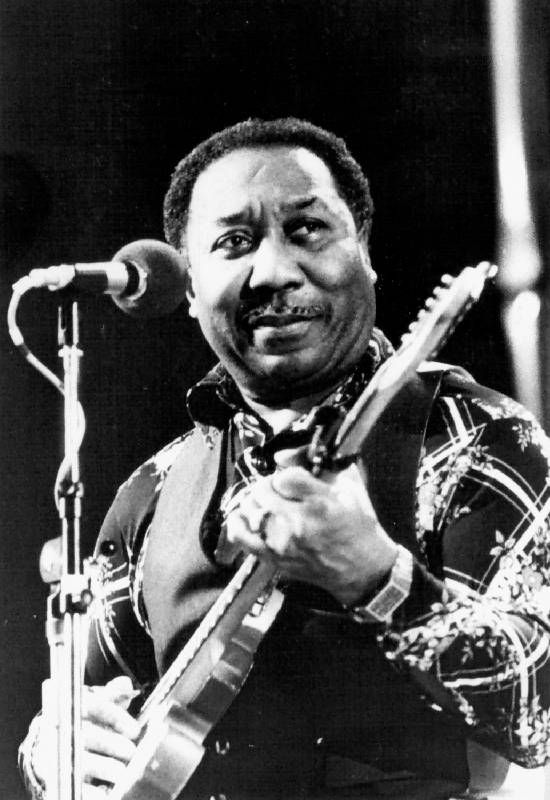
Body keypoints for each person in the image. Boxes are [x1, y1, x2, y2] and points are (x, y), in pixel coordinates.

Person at [19, 118, 550, 800]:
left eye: (306, 231)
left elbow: (537, 715)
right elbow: (97, 722)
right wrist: (54, 757)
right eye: (234, 243)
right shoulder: (149, 494)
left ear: (364, 251)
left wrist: (378, 576)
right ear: (187, 288)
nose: (272, 271)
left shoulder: (480, 438)